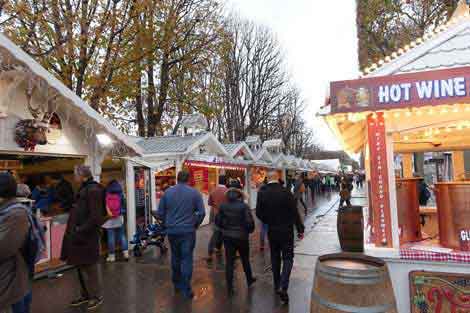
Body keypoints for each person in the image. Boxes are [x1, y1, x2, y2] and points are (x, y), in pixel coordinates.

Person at [256, 170, 305, 305]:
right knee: (288, 257)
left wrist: (269, 220)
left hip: (272, 230)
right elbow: (295, 212)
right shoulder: (286, 192)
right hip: (287, 230)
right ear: (278, 178)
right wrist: (300, 229)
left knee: (275, 256)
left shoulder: (263, 193)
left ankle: (277, 284)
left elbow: (259, 213)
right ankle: (284, 285)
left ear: (268, 178)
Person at [61, 165, 105, 310]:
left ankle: (96, 296)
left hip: (86, 237)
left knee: (90, 268)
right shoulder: (86, 189)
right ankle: (85, 295)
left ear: (82, 175)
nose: (74, 177)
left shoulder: (93, 190)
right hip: (80, 236)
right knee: (80, 267)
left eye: (75, 174)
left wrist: (80, 230)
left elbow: (95, 217)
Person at [157, 170, 206, 299]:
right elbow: (201, 213)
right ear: (188, 179)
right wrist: (195, 224)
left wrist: (166, 223)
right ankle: (186, 287)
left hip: (172, 231)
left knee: (175, 256)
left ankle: (176, 283)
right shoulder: (195, 193)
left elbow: (160, 213)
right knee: (186, 258)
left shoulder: (167, 193)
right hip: (188, 231)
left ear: (177, 179)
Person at [216, 181, 256, 296]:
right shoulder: (244, 206)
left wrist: (225, 227)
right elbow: (250, 223)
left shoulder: (223, 206)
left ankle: (229, 287)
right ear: (239, 193)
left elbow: (218, 222)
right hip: (242, 237)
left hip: (228, 237)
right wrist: (247, 231)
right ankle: (249, 279)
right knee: (245, 259)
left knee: (229, 262)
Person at [0, 173, 32, 313]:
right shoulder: (8, 210)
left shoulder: (16, 214)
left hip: (12, 276)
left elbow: (3, 248)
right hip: (10, 275)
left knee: (19, 303)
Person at [102, 179, 129, 262]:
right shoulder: (120, 193)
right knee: (122, 235)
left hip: (110, 217)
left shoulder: (107, 193)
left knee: (111, 237)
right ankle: (126, 253)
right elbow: (124, 205)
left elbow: (104, 205)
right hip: (119, 216)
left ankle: (112, 256)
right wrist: (122, 212)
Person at [206, 176, 228, 262]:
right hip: (225, 216)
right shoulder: (227, 191)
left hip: (216, 215)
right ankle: (228, 253)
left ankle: (210, 253)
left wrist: (216, 206)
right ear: (226, 182)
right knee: (225, 234)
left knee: (216, 234)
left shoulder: (213, 190)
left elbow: (209, 203)